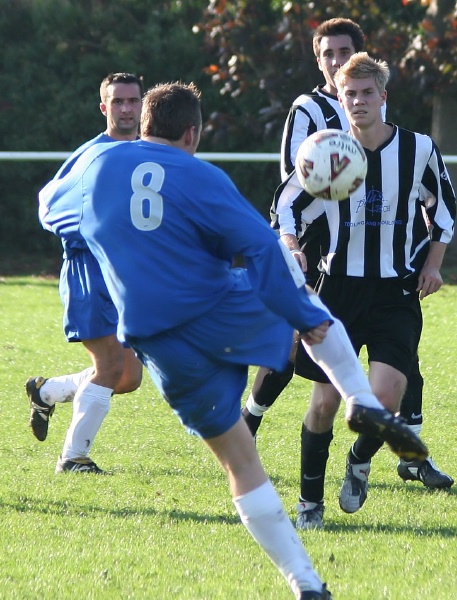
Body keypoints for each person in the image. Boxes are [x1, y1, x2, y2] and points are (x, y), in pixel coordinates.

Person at [38, 82, 428, 599]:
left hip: (159, 341)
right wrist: (292, 298)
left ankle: (306, 583)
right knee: (309, 312)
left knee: (240, 462)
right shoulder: (202, 177)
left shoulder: (94, 168)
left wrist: (96, 240)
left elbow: (50, 207)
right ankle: (357, 397)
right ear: (193, 132)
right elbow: (260, 248)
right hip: (222, 310)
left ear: (143, 123)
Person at [242, 17, 454, 492]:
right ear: (338, 95)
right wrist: (293, 246)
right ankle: (301, 486)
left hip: (393, 283)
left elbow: (443, 210)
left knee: (391, 386)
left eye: (365, 92)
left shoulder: (417, 149)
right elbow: (288, 201)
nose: (357, 99)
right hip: (331, 274)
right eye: (348, 93)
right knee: (319, 395)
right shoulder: (319, 134)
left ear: (383, 95)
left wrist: (433, 262)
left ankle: (371, 457)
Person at [27, 72, 144, 474]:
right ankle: (73, 458)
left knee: (127, 377)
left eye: (132, 101)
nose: (126, 109)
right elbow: (47, 207)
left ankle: (47, 390)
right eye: (117, 102)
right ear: (104, 107)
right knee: (110, 368)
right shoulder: (91, 155)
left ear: (143, 105)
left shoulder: (148, 153)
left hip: (125, 279)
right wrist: (91, 232)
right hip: (89, 274)